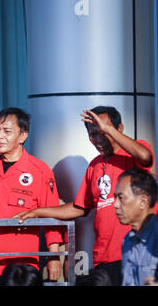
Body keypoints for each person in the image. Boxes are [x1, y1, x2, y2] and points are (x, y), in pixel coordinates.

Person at [15, 106, 155, 285]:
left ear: (119, 129)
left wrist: (108, 128)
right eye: (93, 134)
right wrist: (38, 212)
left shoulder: (134, 151)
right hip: (103, 258)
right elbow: (79, 207)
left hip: (138, 254)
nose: (98, 139)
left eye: (103, 132)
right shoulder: (94, 166)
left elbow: (146, 156)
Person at [0, 108, 63, 282]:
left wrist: (54, 259)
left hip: (22, 267)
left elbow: (53, 217)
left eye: (7, 131)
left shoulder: (39, 171)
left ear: (23, 136)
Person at [113, 169, 158, 286]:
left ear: (143, 201)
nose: (115, 204)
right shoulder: (127, 241)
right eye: (115, 198)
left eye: (121, 198)